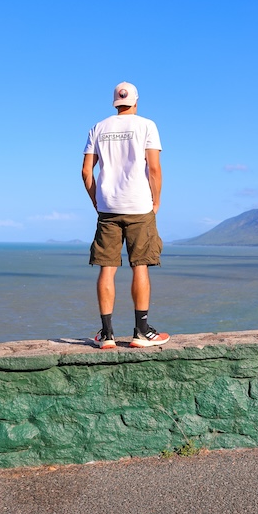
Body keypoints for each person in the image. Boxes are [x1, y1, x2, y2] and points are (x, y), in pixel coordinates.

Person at [82, 81, 169, 349]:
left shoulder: (98, 127)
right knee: (139, 265)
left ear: (115, 102)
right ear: (136, 101)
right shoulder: (147, 126)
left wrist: (97, 200)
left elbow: (86, 172)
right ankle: (141, 332)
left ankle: (106, 335)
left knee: (107, 269)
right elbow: (154, 168)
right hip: (139, 206)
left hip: (108, 207)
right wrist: (156, 201)